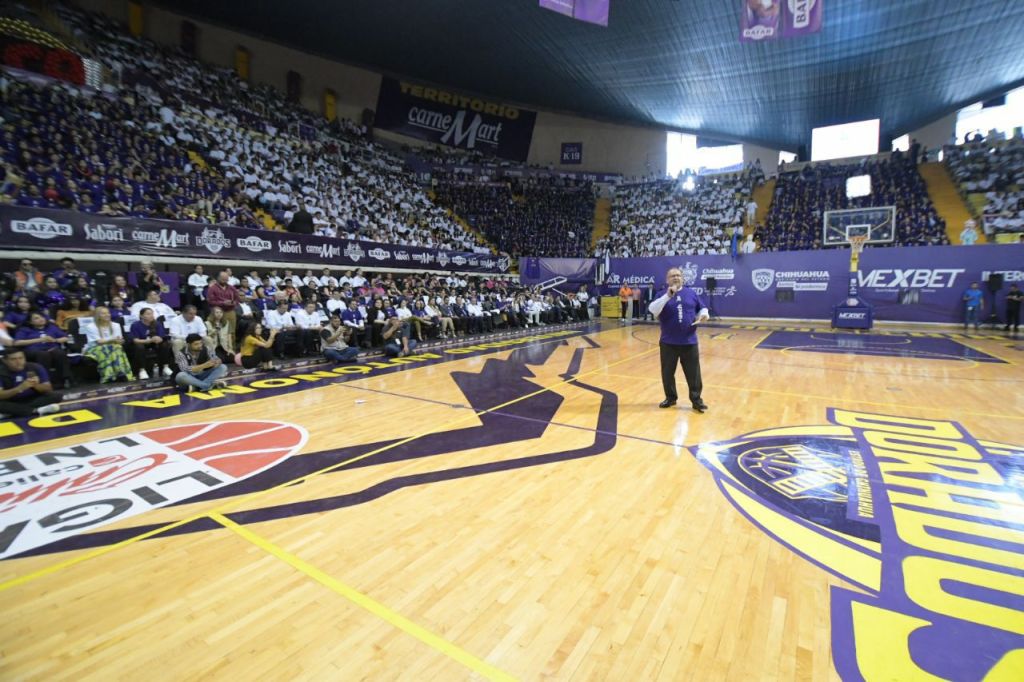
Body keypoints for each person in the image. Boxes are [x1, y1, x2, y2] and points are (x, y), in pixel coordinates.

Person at [648, 267, 710, 412]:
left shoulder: (691, 293)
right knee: (667, 373)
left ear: (682, 278)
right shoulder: (661, 294)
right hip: (668, 342)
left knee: (693, 374)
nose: (675, 278)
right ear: (667, 280)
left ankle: (696, 400)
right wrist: (668, 296)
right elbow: (653, 309)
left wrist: (704, 314)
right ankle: (670, 398)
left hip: (689, 342)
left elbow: (703, 308)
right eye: (672, 276)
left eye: (678, 275)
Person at [13, 312, 72, 388]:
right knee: (43, 355)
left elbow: (66, 338)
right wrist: (40, 339)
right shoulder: (25, 330)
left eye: (42, 317)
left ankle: (65, 380)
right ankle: (45, 381)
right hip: (33, 350)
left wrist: (55, 340)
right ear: (30, 322)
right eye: (36, 318)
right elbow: (17, 342)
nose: (41, 319)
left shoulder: (51, 327)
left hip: (52, 348)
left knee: (59, 353)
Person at [0, 347, 62, 418]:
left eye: (21, 358)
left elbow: (49, 389)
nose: (18, 361)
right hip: (11, 401)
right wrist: (19, 388)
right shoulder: (1, 372)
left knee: (56, 396)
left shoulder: (35, 367)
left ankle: (15, 411)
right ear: (4, 360)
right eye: (13, 359)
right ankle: (36, 410)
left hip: (32, 399)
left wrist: (36, 385)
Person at [82, 306, 134, 383]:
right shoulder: (91, 326)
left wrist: (120, 341)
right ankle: (108, 375)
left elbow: (118, 339)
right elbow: (99, 342)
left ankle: (120, 373)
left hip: (113, 346)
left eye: (108, 313)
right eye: (103, 313)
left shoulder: (115, 325)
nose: (107, 315)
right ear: (98, 316)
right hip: (93, 349)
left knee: (117, 347)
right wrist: (113, 340)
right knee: (107, 348)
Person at [128, 308, 173, 379]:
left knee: (165, 344)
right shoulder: (135, 325)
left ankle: (165, 367)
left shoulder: (157, 323)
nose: (151, 315)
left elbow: (161, 336)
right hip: (142, 343)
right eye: (148, 314)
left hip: (154, 343)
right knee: (139, 347)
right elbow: (135, 340)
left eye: (152, 313)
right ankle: (142, 370)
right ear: (141, 316)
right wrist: (148, 341)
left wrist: (158, 339)